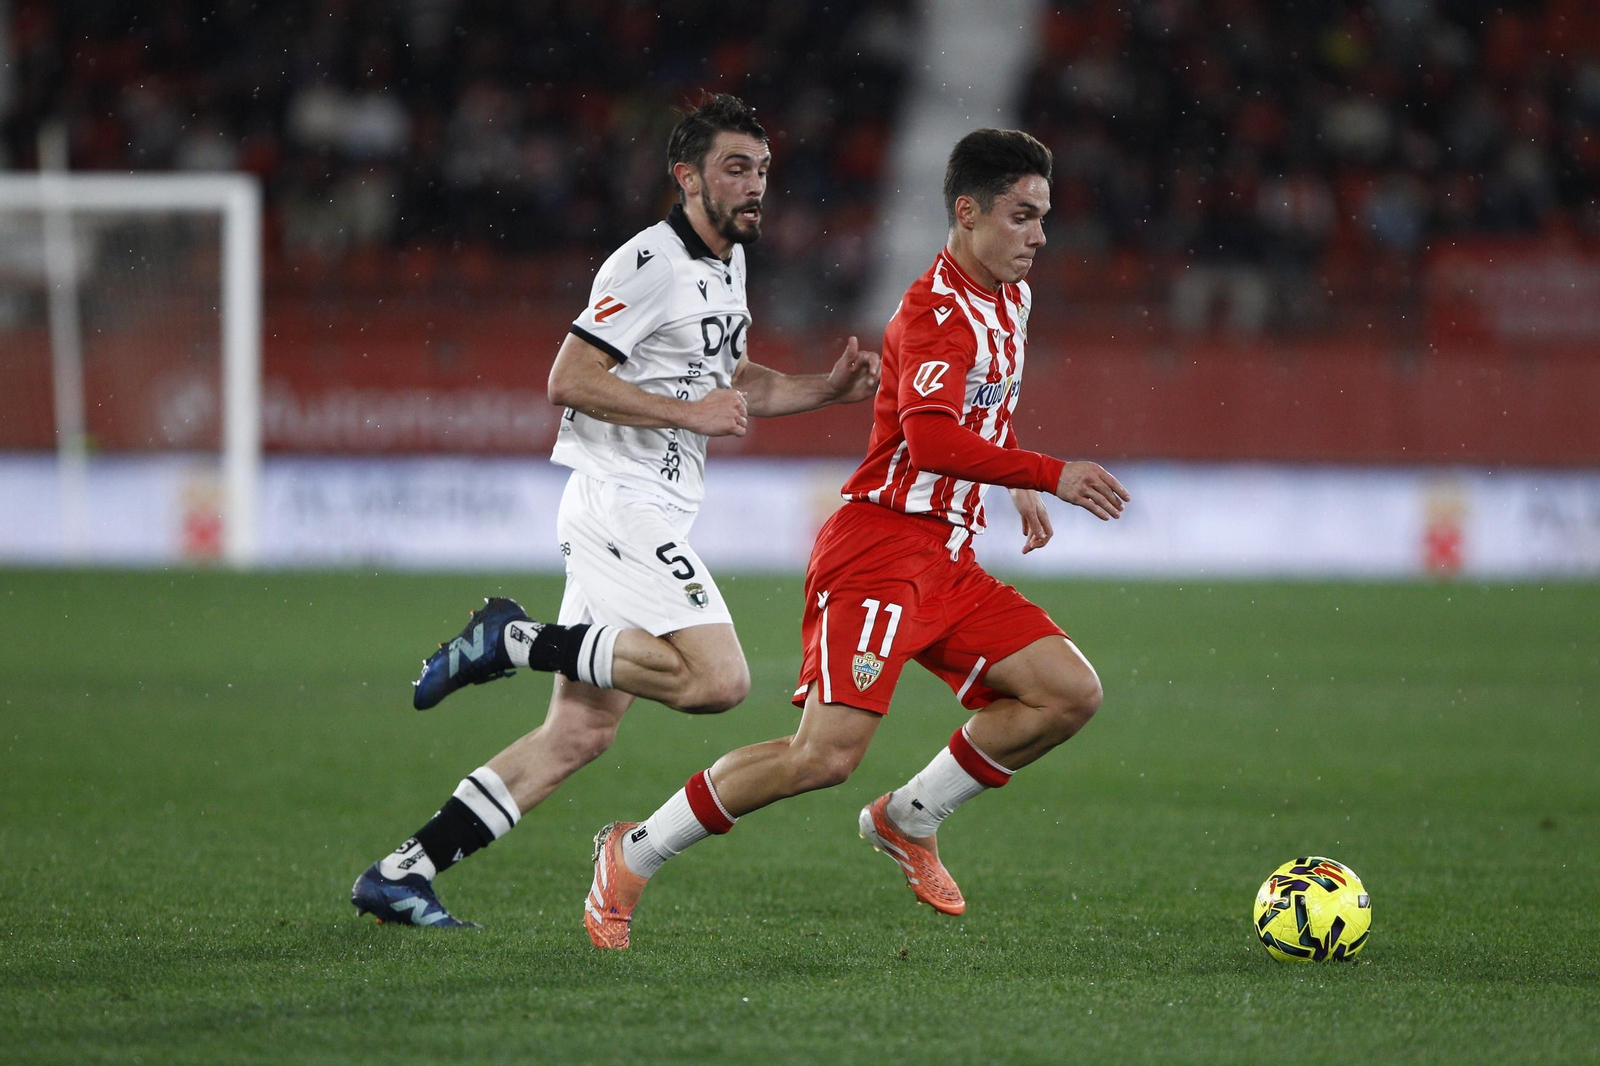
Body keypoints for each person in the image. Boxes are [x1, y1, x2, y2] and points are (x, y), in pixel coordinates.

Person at [582, 127, 1131, 949]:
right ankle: (634, 852)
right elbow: (936, 441)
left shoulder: (1010, 293)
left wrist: (1009, 485)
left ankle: (909, 819)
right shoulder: (934, 314)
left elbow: (986, 407)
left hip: (947, 557)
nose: (1039, 237)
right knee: (822, 758)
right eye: (1023, 216)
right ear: (968, 212)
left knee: (1068, 692)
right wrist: (1046, 474)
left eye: (1044, 217)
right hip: (880, 551)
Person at [351, 93, 880, 928]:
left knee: (579, 735)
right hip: (619, 504)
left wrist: (827, 390)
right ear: (687, 177)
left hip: (654, 508)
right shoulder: (649, 265)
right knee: (720, 681)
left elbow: (733, 381)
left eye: (764, 171)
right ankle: (511, 639)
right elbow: (569, 378)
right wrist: (686, 414)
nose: (755, 187)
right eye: (736, 168)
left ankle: (403, 871)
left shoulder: (727, 263)